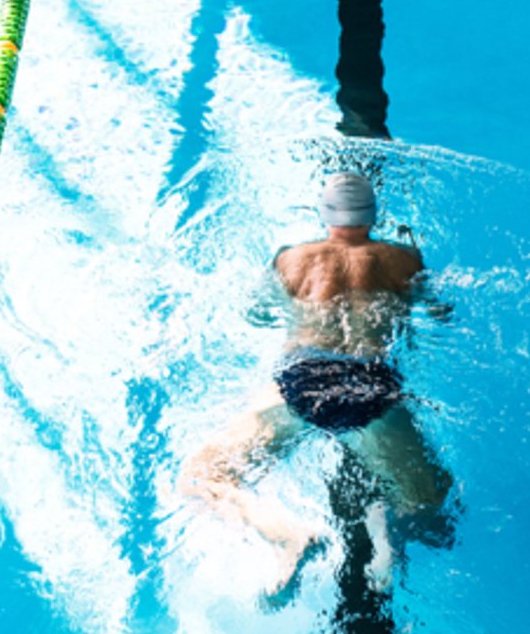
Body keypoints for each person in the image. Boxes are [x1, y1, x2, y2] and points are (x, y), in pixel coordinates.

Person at [185, 172, 454, 596]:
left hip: (302, 379)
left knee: (204, 477)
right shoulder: (405, 260)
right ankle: (387, 533)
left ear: (325, 213)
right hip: (372, 385)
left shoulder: (289, 259)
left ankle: (287, 535)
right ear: (373, 214)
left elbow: (255, 315)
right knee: (432, 503)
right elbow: (441, 314)